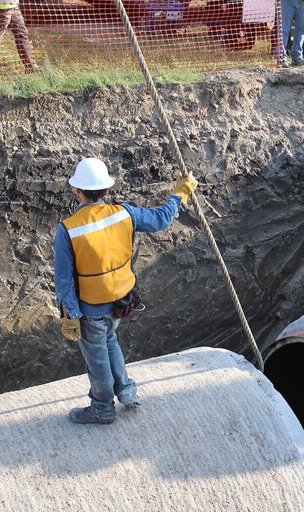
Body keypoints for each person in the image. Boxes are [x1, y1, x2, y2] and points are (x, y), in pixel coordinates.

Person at [55, 158, 198, 424]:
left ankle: (102, 409)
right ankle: (127, 393)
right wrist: (180, 194)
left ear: (77, 190)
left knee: (97, 361)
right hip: (121, 302)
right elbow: (162, 219)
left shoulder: (69, 230)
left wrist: (70, 314)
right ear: (107, 191)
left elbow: (63, 280)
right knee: (110, 341)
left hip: (91, 309)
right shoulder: (125, 214)